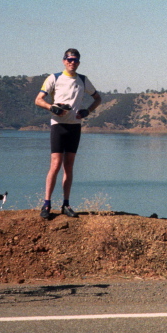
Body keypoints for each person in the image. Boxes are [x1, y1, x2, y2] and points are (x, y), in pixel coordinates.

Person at [34, 48, 102, 220]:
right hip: (58, 125)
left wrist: (87, 111)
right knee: (55, 165)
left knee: (69, 167)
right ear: (64, 60)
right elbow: (38, 99)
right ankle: (47, 204)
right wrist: (52, 107)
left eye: (76, 60)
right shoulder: (54, 78)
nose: (73, 62)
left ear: (79, 62)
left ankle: (66, 204)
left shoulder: (83, 80)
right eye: (69, 59)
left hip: (74, 126)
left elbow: (98, 98)